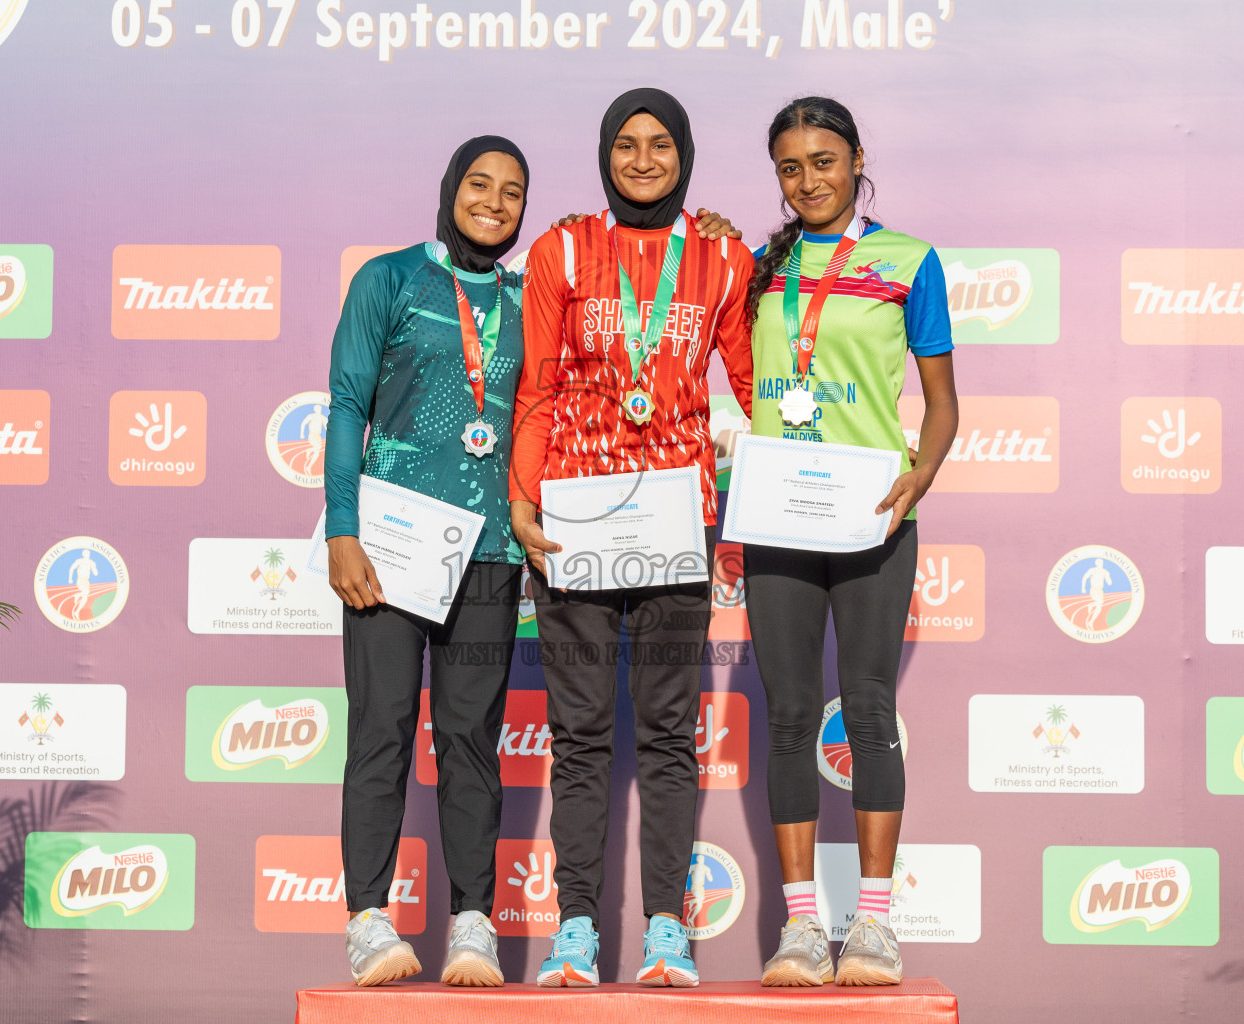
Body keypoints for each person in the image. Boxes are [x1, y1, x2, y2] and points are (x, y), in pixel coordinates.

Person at [510, 87, 755, 988]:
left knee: (665, 737)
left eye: (660, 144)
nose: (643, 160)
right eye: (625, 144)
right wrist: (523, 500)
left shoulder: (722, 257)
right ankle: (574, 930)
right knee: (578, 736)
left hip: (675, 522)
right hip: (576, 518)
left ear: (685, 153)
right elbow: (537, 386)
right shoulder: (563, 248)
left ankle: (665, 934)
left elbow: (758, 379)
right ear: (603, 154)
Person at [741, 96, 958, 987]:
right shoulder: (759, 265)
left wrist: (920, 477)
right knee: (790, 716)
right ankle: (800, 930)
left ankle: (872, 926)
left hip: (872, 516)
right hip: (778, 520)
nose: (809, 181)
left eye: (824, 161)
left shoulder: (910, 260)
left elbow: (942, 404)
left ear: (857, 158)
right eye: (790, 167)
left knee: (868, 711)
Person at [324, 136, 530, 988]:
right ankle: (369, 921)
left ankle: (472, 922)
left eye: (513, 190)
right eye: (478, 184)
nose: (494, 200)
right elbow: (345, 404)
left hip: (489, 553)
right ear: (448, 190)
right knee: (379, 735)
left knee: (473, 742)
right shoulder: (392, 279)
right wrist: (341, 528)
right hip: (393, 546)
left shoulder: (528, 300)